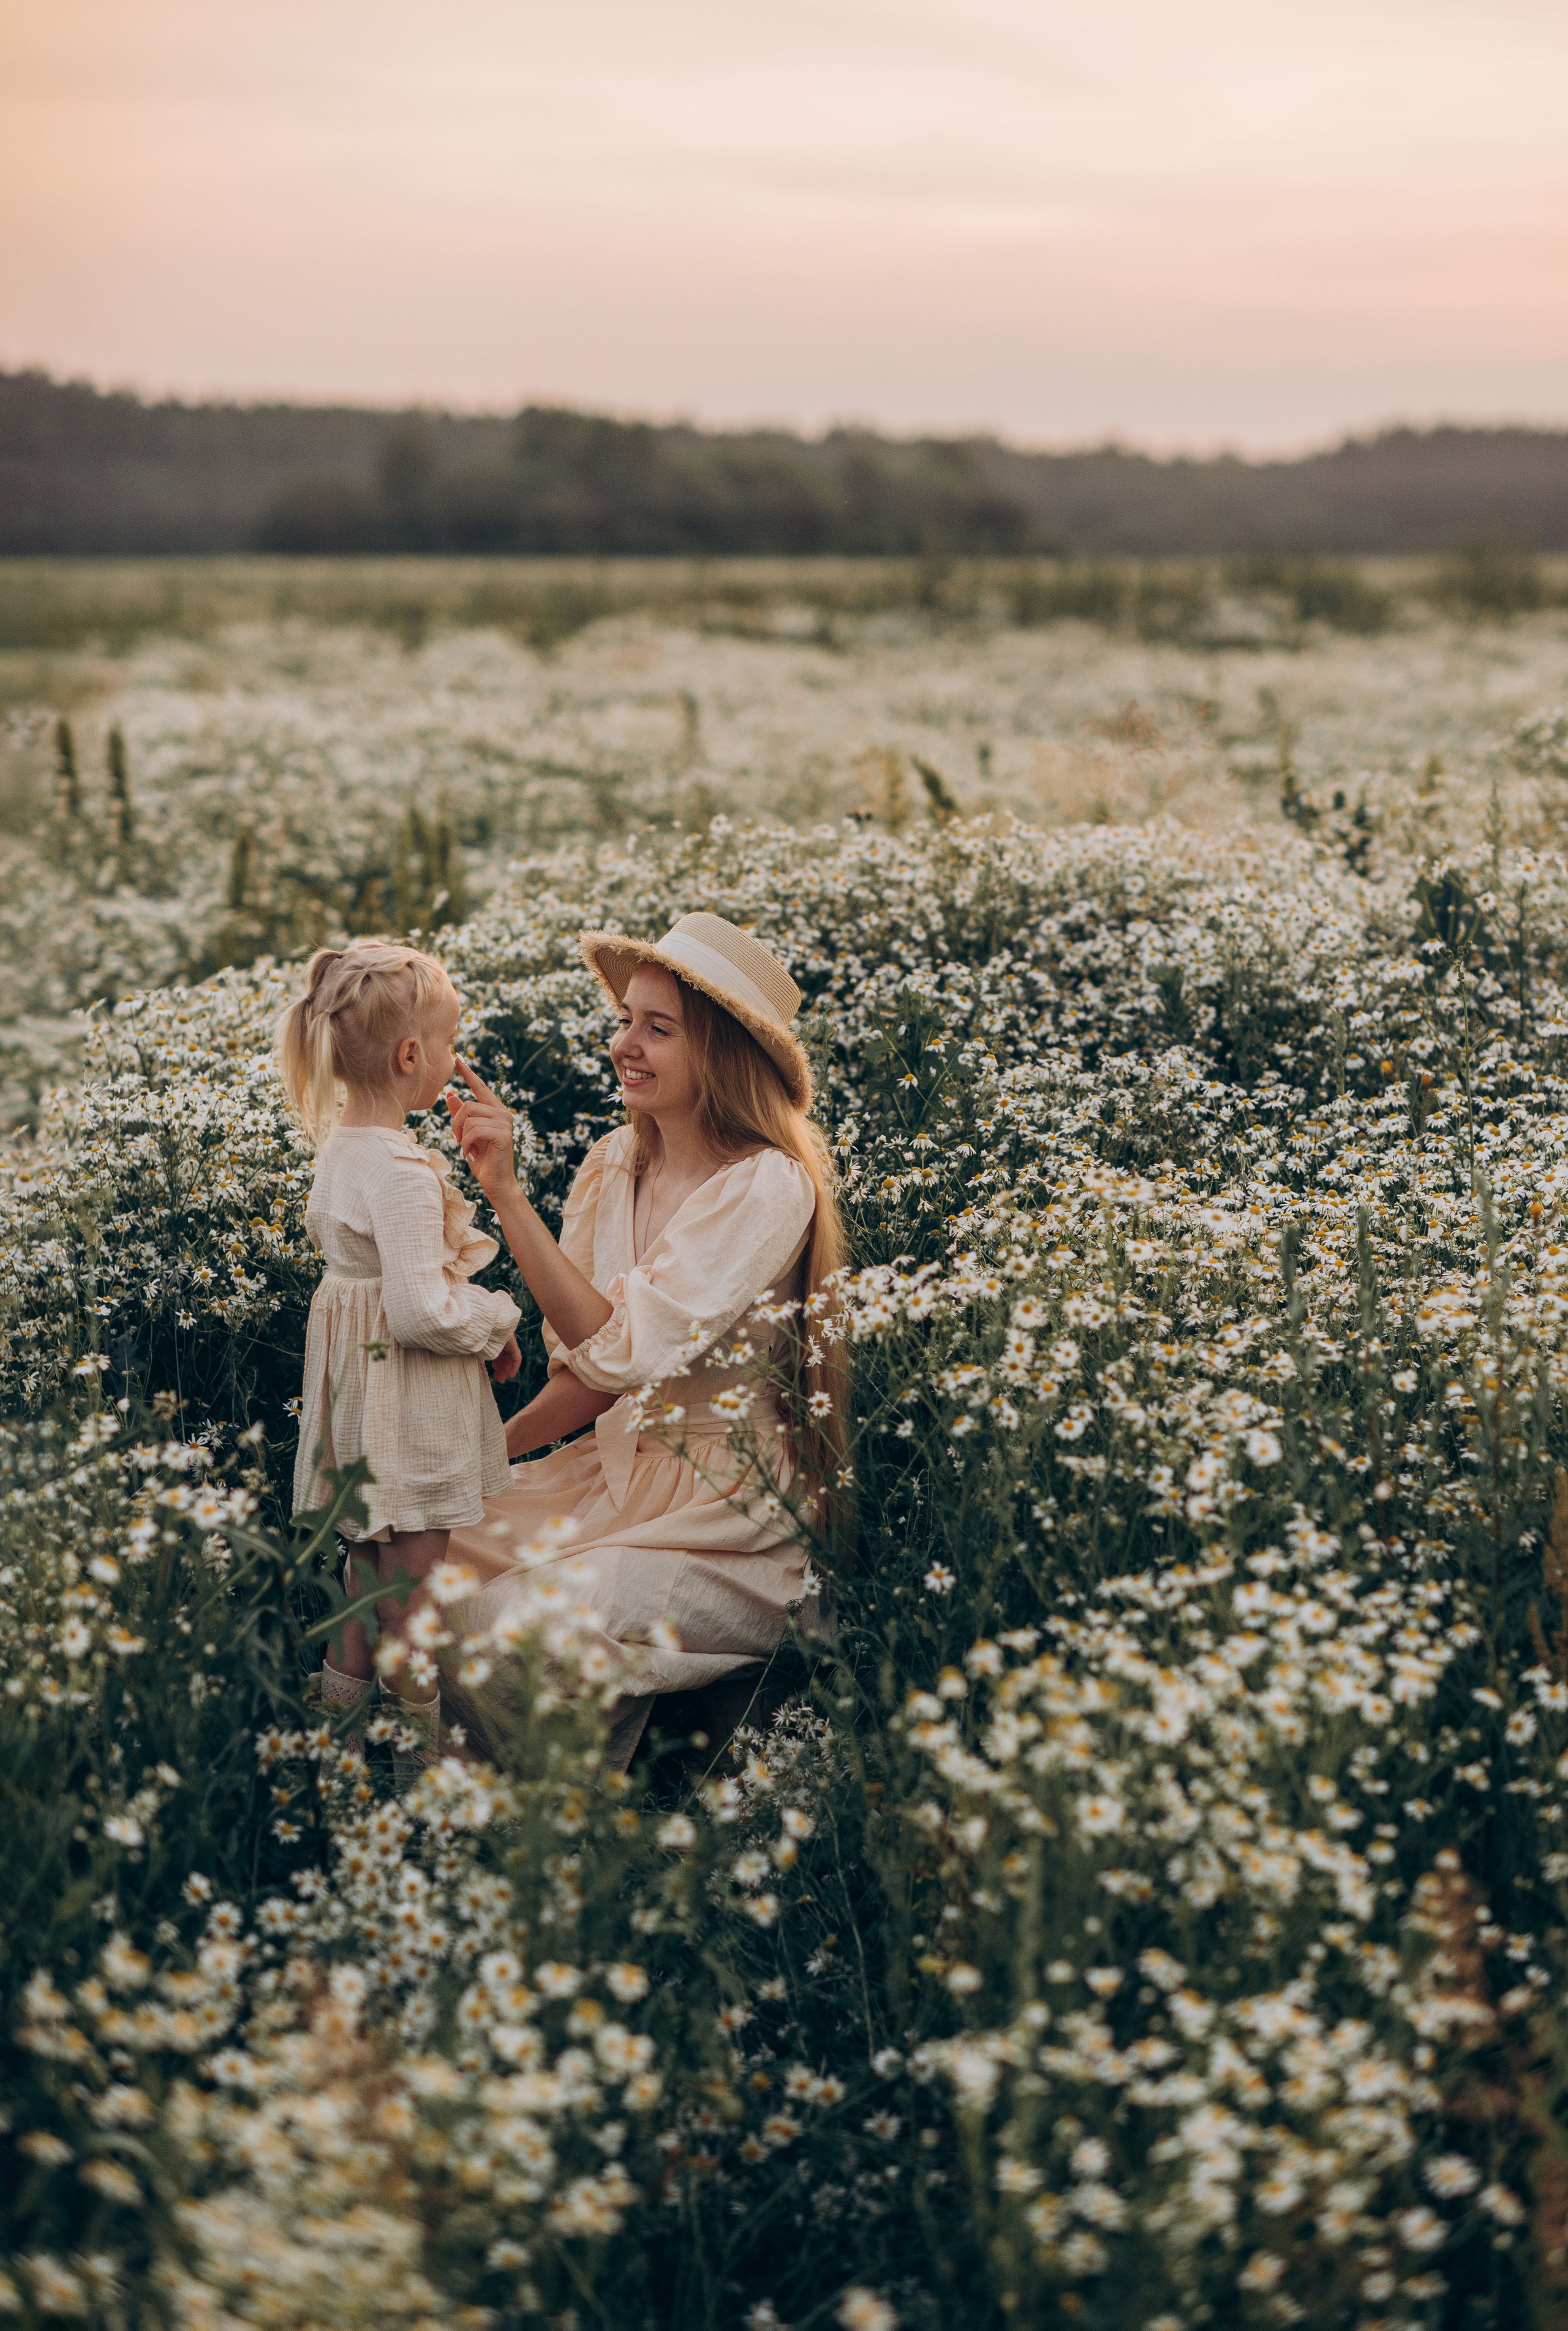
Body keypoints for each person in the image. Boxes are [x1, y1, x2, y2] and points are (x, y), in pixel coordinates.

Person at [440, 910, 844, 1770]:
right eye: (625, 1019)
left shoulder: (767, 1186)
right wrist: (476, 1466)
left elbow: (623, 1349)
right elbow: (596, 1373)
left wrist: (507, 1194)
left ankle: (539, 1836)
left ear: (723, 1054)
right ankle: (430, 1803)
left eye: (658, 1029)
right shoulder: (614, 1162)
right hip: (616, 1480)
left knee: (510, 1625)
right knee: (426, 1551)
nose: (626, 1043)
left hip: (722, 1515)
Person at [276, 940, 522, 1774]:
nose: (456, 1061)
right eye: (449, 1045)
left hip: (357, 1395)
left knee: (365, 1583)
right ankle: (417, 1782)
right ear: (412, 1056)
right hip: (407, 1406)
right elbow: (421, 1310)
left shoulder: (344, 1147)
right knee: (412, 1605)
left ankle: (335, 1770)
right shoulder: (405, 1174)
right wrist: (495, 1317)